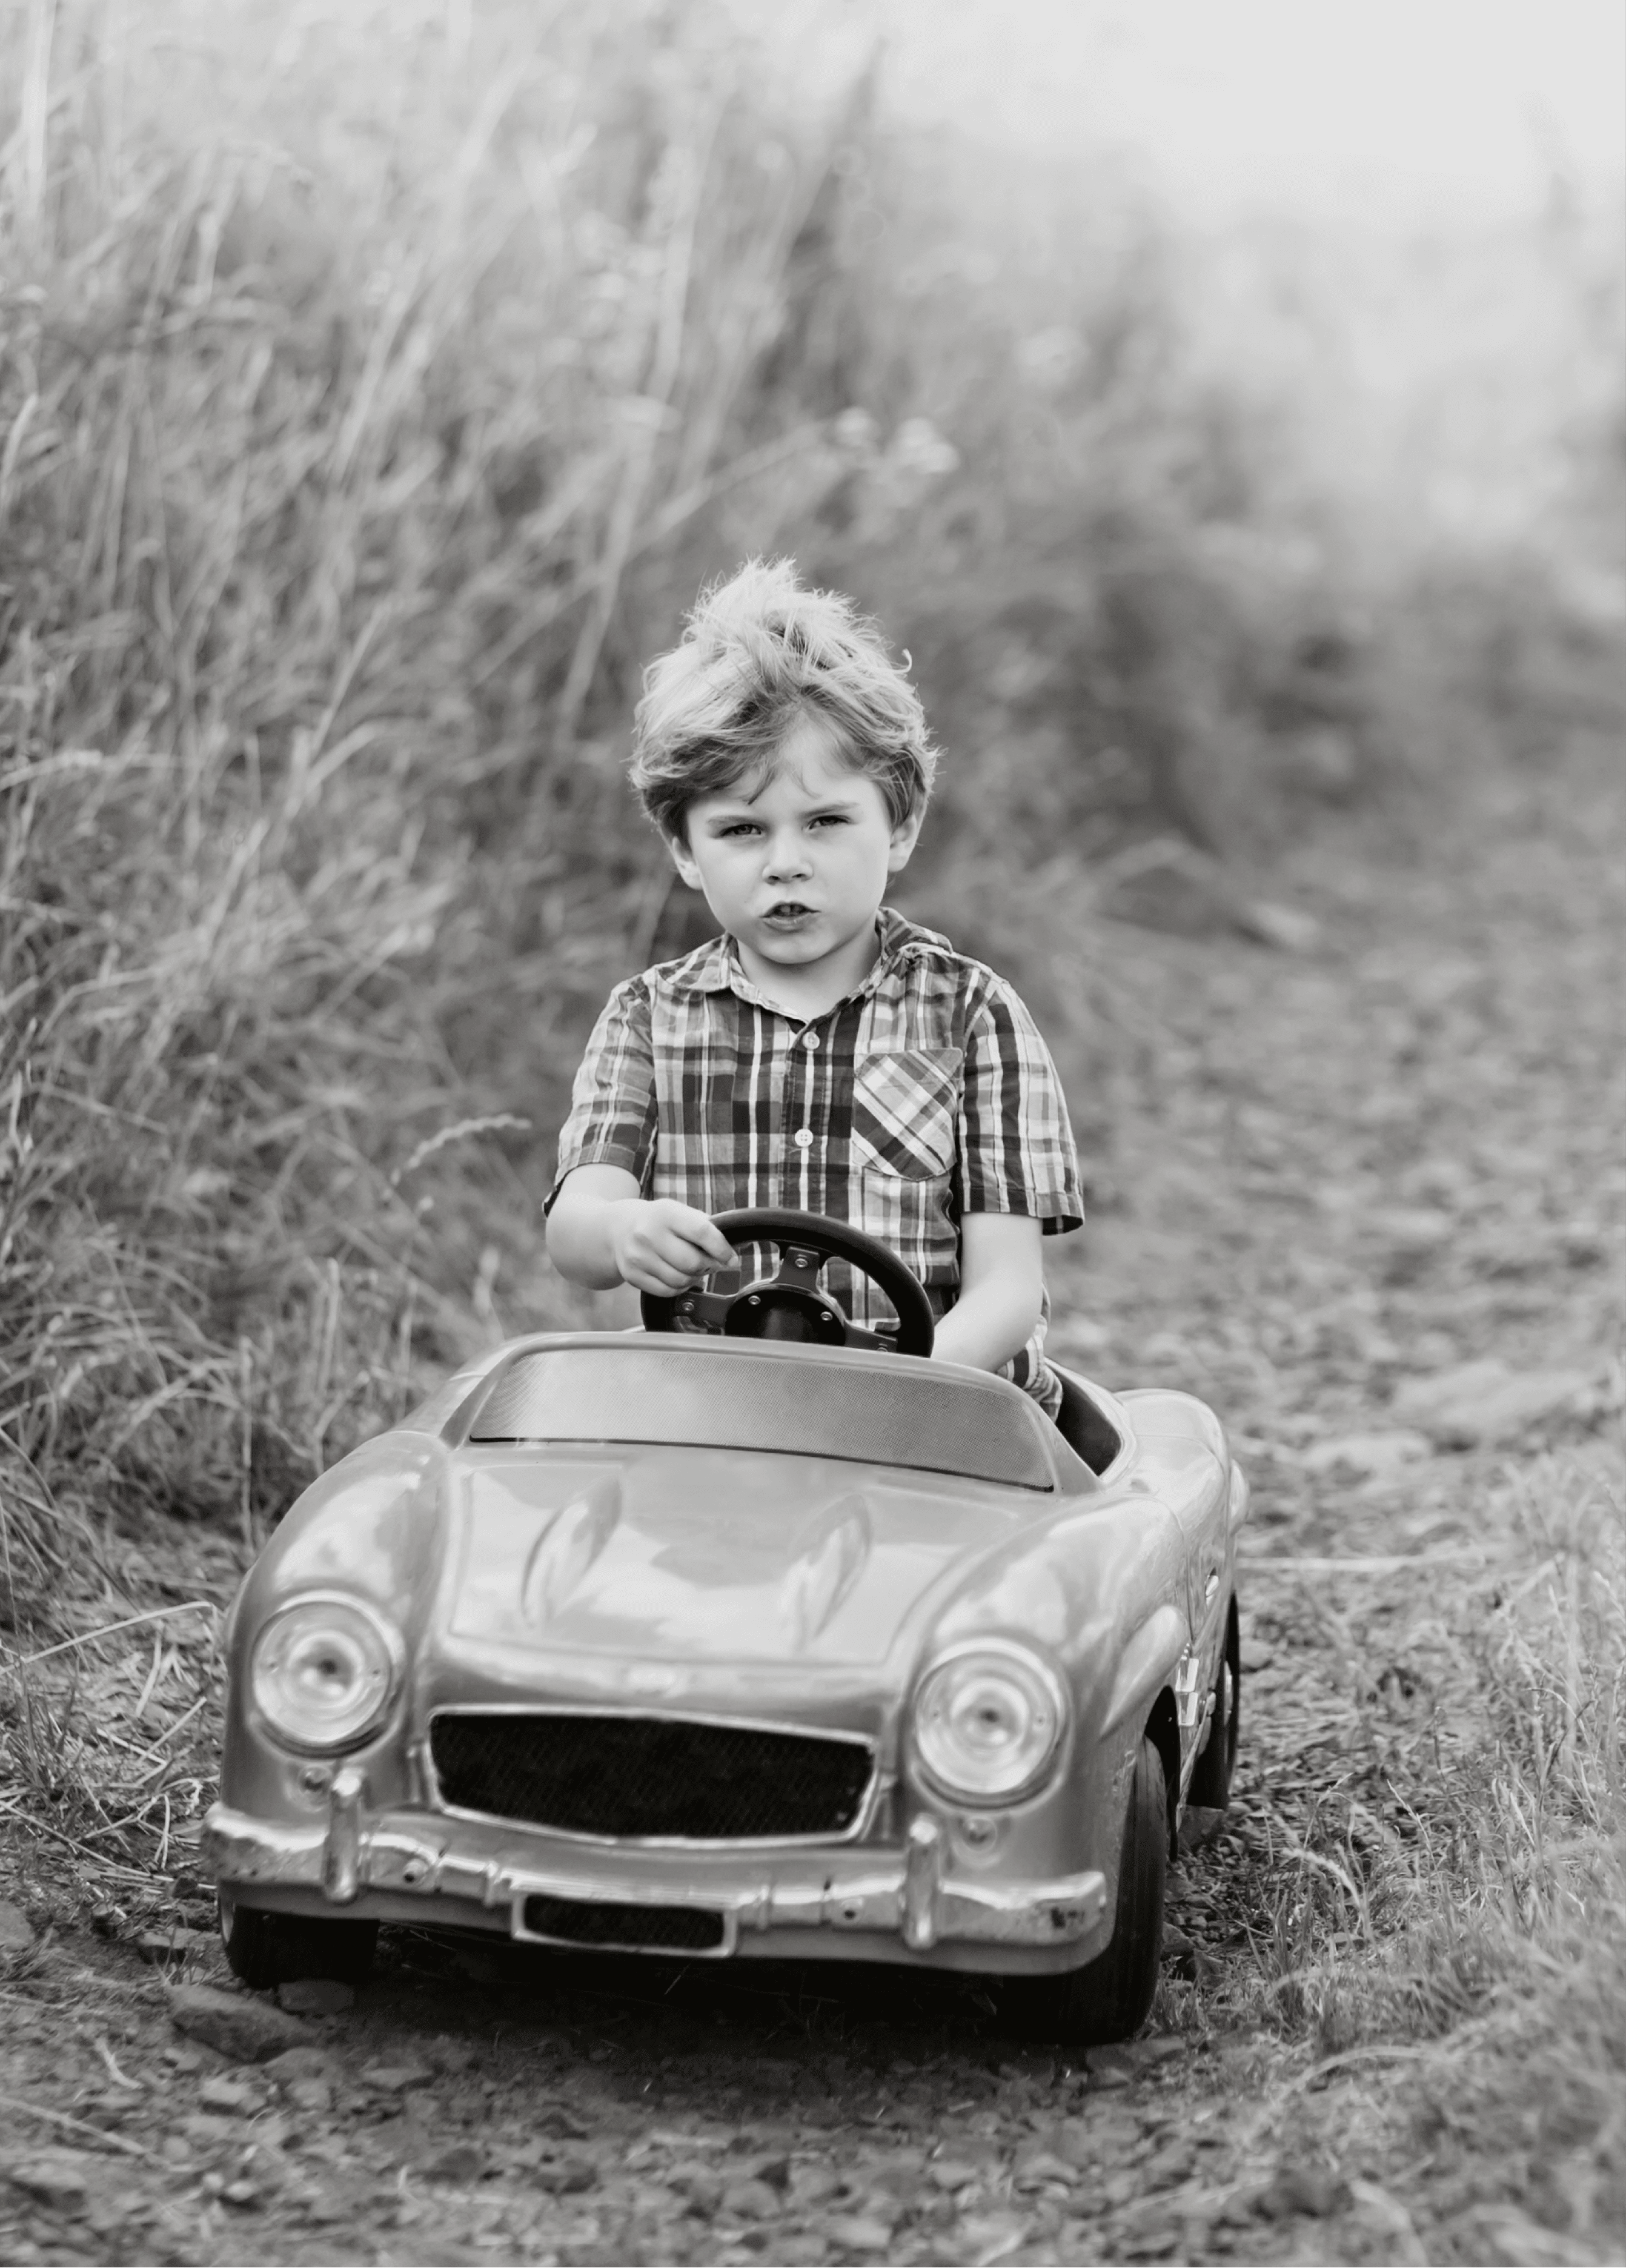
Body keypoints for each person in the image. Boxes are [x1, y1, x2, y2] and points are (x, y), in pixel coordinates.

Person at [544, 558, 1084, 1418]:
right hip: (718, 1417)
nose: (785, 861)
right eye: (741, 830)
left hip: (943, 1416)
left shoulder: (973, 1016)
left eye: (826, 821)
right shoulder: (649, 1019)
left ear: (899, 826)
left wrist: (901, 1391)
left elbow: (1009, 1293)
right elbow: (577, 1231)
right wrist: (622, 1230)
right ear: (686, 852)